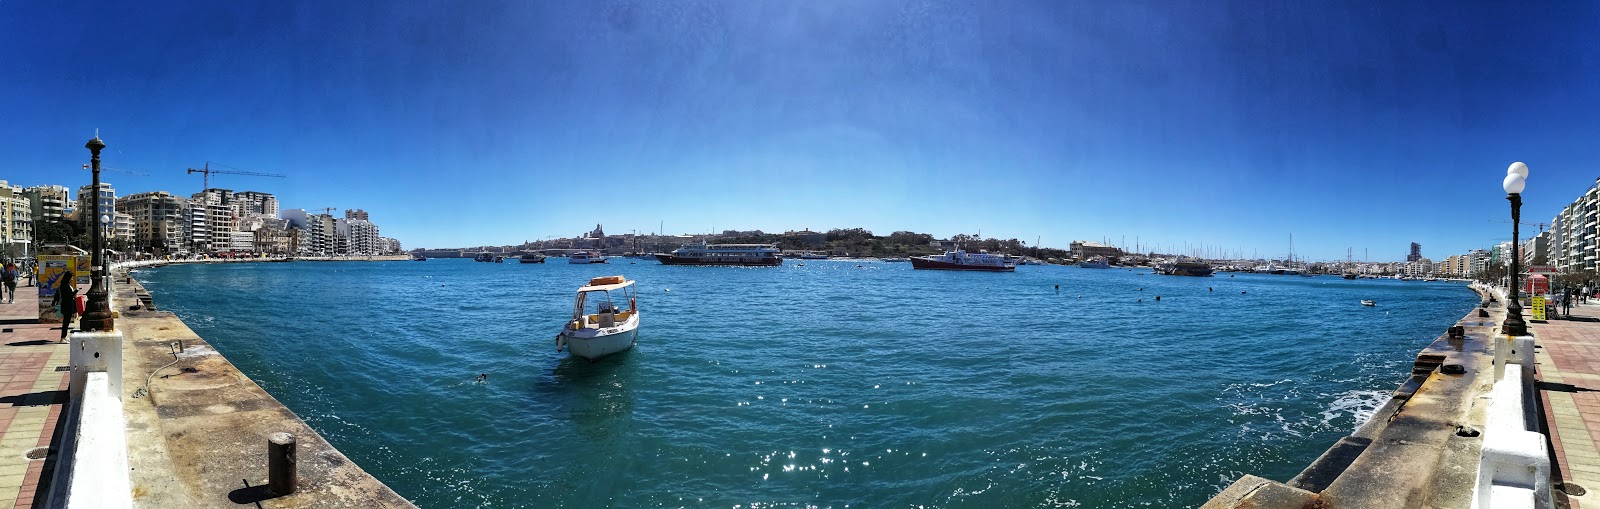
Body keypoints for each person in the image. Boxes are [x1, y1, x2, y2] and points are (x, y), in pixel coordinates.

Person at [51, 276, 77, 341]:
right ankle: (62, 338)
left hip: (68, 306)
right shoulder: (64, 286)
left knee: (67, 322)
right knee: (66, 322)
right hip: (67, 306)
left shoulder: (67, 285)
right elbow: (68, 296)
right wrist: (75, 291)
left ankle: (64, 337)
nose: (72, 279)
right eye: (71, 278)